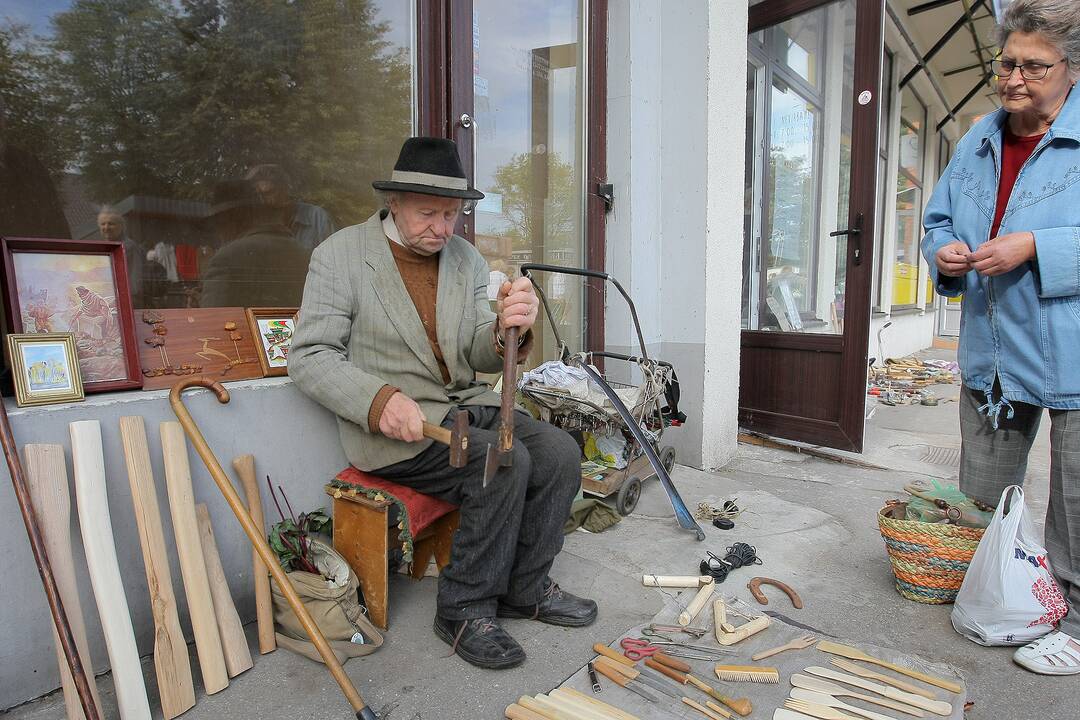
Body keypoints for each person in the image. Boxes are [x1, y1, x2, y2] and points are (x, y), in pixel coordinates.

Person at [289, 137, 596, 670]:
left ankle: (525, 588)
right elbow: (310, 355)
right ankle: (463, 609)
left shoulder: (466, 259)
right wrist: (378, 398)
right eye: (429, 213)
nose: (443, 227)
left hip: (466, 405)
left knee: (559, 450)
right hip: (399, 428)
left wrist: (507, 330)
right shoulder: (340, 255)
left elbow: (477, 347)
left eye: (452, 214)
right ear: (396, 203)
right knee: (503, 460)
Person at [921, 0, 1080, 675]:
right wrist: (946, 252)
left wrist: (1037, 247)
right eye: (1006, 63)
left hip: (1070, 347)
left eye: (1033, 67)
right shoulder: (975, 140)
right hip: (991, 352)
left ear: (1071, 70)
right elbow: (934, 221)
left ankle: (1072, 618)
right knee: (982, 492)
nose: (1014, 78)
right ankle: (991, 587)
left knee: (1076, 497)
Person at [199, 179, 311, 308]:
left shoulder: (226, 258)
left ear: (228, 218)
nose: (217, 231)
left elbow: (214, 321)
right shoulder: (305, 255)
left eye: (216, 223)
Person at [245, 164, 336, 251]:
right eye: (257, 195)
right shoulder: (250, 222)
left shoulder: (317, 218)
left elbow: (334, 258)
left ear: (285, 190)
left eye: (268, 193)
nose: (262, 201)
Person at [97, 207, 146, 308]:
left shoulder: (129, 247)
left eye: (111, 223)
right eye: (103, 224)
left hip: (125, 303)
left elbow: (135, 282)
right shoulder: (101, 247)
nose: (106, 227)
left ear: (121, 226)